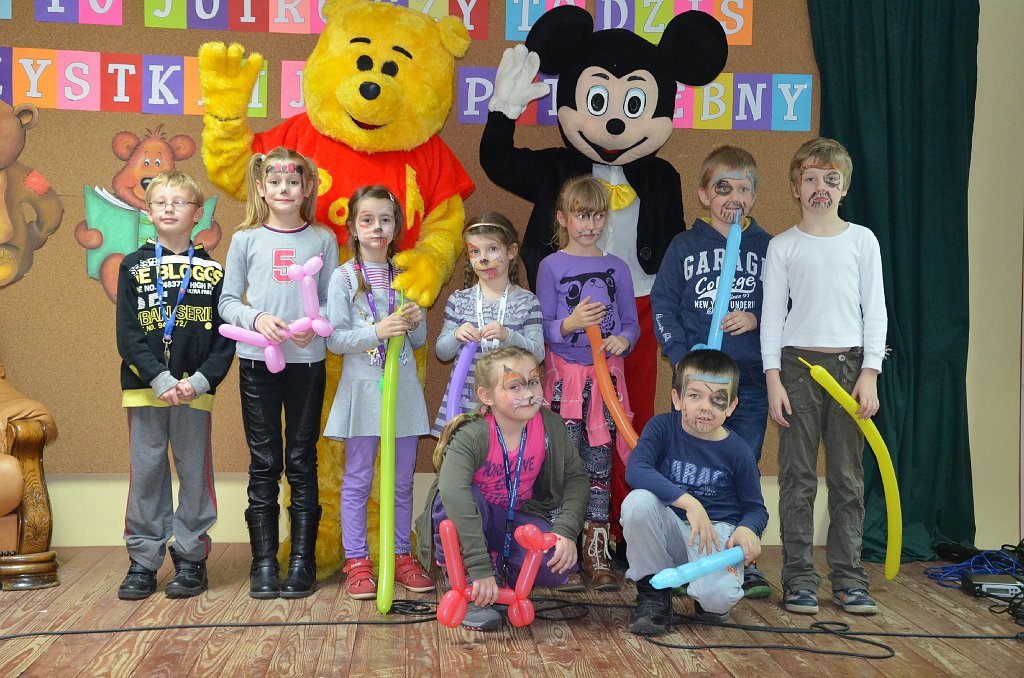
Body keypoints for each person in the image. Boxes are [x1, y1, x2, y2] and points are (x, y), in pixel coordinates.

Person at [761, 137, 887, 616]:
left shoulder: (862, 241)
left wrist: (869, 373)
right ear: (795, 187)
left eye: (830, 180)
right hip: (797, 369)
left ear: (844, 187)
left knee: (847, 478)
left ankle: (849, 579)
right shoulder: (782, 246)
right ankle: (798, 579)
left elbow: (875, 311)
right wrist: (773, 378)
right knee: (797, 478)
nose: (820, 188)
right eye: (810, 178)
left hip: (850, 370)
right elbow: (772, 317)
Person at [651, 145, 773, 599]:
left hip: (748, 385)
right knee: (685, 469)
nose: (733, 198)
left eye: (743, 189)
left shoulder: (769, 247)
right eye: (723, 188)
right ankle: (683, 551)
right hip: (696, 384)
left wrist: (757, 318)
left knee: (742, 468)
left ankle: (740, 557)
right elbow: (663, 304)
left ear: (754, 196)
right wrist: (681, 359)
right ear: (704, 194)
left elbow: (787, 305)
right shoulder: (684, 246)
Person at [219, 147, 339, 599]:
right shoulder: (245, 239)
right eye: (275, 182)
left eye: (293, 182)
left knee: (302, 460)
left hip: (306, 363)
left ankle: (302, 562)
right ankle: (264, 562)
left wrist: (315, 325)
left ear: (307, 188)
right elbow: (227, 301)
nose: (284, 189)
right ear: (261, 188)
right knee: (265, 462)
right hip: (257, 363)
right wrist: (256, 318)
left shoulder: (323, 239)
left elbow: (332, 302)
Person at [115, 169, 234, 600]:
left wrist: (200, 381)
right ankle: (144, 560)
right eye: (160, 202)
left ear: (198, 213)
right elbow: (128, 334)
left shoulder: (213, 271)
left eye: (179, 202)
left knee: (194, 473)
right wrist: (159, 378)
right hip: (146, 388)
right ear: (148, 213)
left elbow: (226, 338)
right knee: (147, 473)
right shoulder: (133, 266)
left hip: (193, 393)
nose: (169, 209)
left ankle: (191, 556)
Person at [415, 346, 590, 631]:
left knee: (556, 562)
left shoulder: (550, 426)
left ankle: (499, 572)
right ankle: (465, 578)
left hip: (511, 520)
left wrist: (566, 531)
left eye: (533, 382)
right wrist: (478, 565)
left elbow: (576, 478)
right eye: (514, 386)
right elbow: (452, 492)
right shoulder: (473, 433)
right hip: (471, 519)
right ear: (487, 396)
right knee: (458, 500)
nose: (528, 393)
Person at [324, 185, 434, 600]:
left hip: (402, 392)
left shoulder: (404, 274)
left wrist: (417, 320)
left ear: (395, 227)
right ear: (353, 227)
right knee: (357, 479)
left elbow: (419, 341)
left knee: (401, 480)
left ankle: (401, 555)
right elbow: (335, 339)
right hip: (363, 393)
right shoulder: (343, 277)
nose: (376, 228)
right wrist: (378, 330)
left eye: (385, 220)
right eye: (367, 220)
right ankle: (357, 560)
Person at [536, 175, 640, 590]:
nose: (590, 225)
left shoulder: (618, 268)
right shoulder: (551, 266)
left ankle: (597, 549)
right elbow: (543, 326)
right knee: (561, 465)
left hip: (604, 385)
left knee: (599, 465)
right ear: (564, 218)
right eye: (581, 216)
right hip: (564, 386)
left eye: (598, 216)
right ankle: (560, 550)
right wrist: (571, 322)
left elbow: (630, 323)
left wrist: (623, 340)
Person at [622, 350, 767, 635]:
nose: (705, 407)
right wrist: (690, 503)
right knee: (638, 502)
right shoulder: (662, 427)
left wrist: (748, 529)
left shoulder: (739, 451)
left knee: (717, 602)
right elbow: (636, 469)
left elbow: (755, 508)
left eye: (717, 399)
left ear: (732, 406)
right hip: (671, 531)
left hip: (713, 537)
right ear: (677, 399)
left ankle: (706, 594)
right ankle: (653, 593)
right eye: (695, 396)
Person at [432, 213, 544, 436]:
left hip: (513, 402)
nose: (483, 259)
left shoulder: (528, 301)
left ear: (511, 252)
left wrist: (508, 335)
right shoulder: (459, 300)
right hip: (464, 402)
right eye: (475, 251)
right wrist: (456, 335)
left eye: (492, 249)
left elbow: (538, 353)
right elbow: (442, 352)